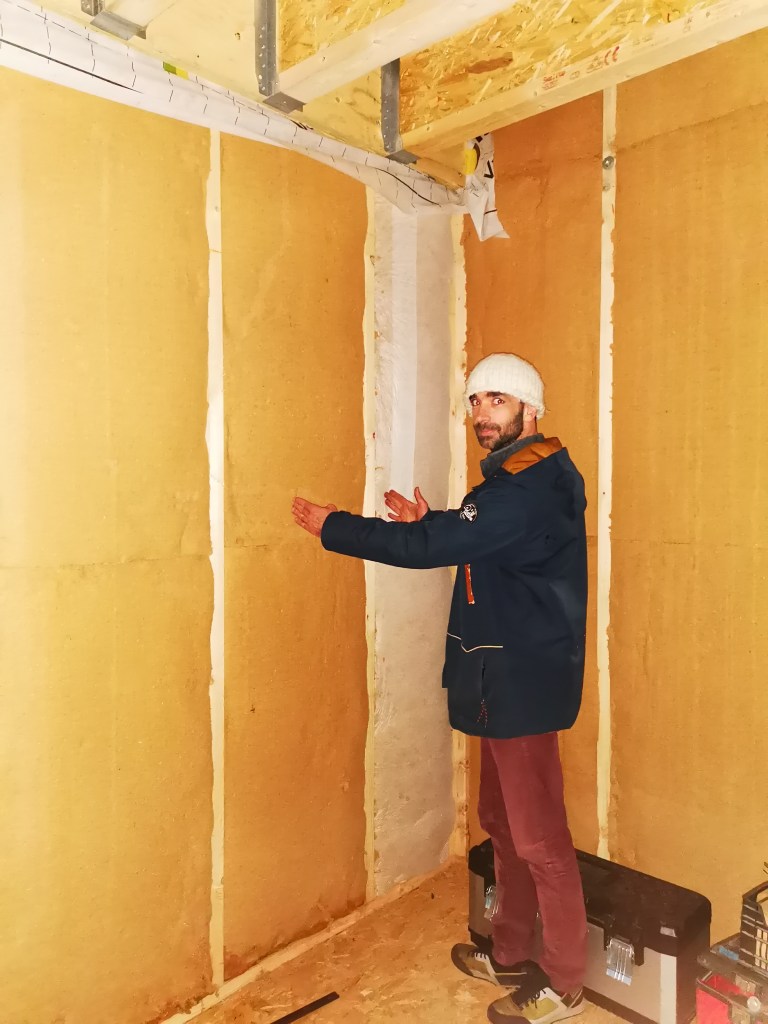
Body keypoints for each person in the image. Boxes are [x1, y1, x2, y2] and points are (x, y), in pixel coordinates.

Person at [292, 352, 588, 1024]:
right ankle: (509, 951)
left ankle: (565, 984)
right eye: (476, 400)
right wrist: (434, 523)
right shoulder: (519, 481)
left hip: (523, 684)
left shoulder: (527, 486)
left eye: (498, 400)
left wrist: (337, 526)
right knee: (503, 826)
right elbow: (477, 539)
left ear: (531, 409)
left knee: (540, 840)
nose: (482, 413)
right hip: (501, 680)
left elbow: (444, 545)